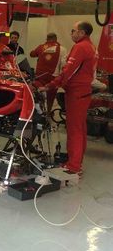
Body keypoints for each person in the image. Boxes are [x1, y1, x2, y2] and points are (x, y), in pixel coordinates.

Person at [38, 22, 97, 174]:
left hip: (76, 93)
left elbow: (68, 71)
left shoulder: (80, 47)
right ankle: (77, 161)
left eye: (74, 31)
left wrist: (50, 85)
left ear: (82, 32)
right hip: (84, 92)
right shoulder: (90, 46)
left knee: (74, 130)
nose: (72, 33)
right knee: (80, 128)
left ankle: (74, 166)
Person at [30, 32, 67, 112]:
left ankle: (39, 111)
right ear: (56, 39)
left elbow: (32, 54)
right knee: (51, 97)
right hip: (53, 77)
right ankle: (49, 112)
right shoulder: (62, 49)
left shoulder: (41, 47)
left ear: (47, 39)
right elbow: (64, 65)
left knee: (38, 95)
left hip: (40, 77)